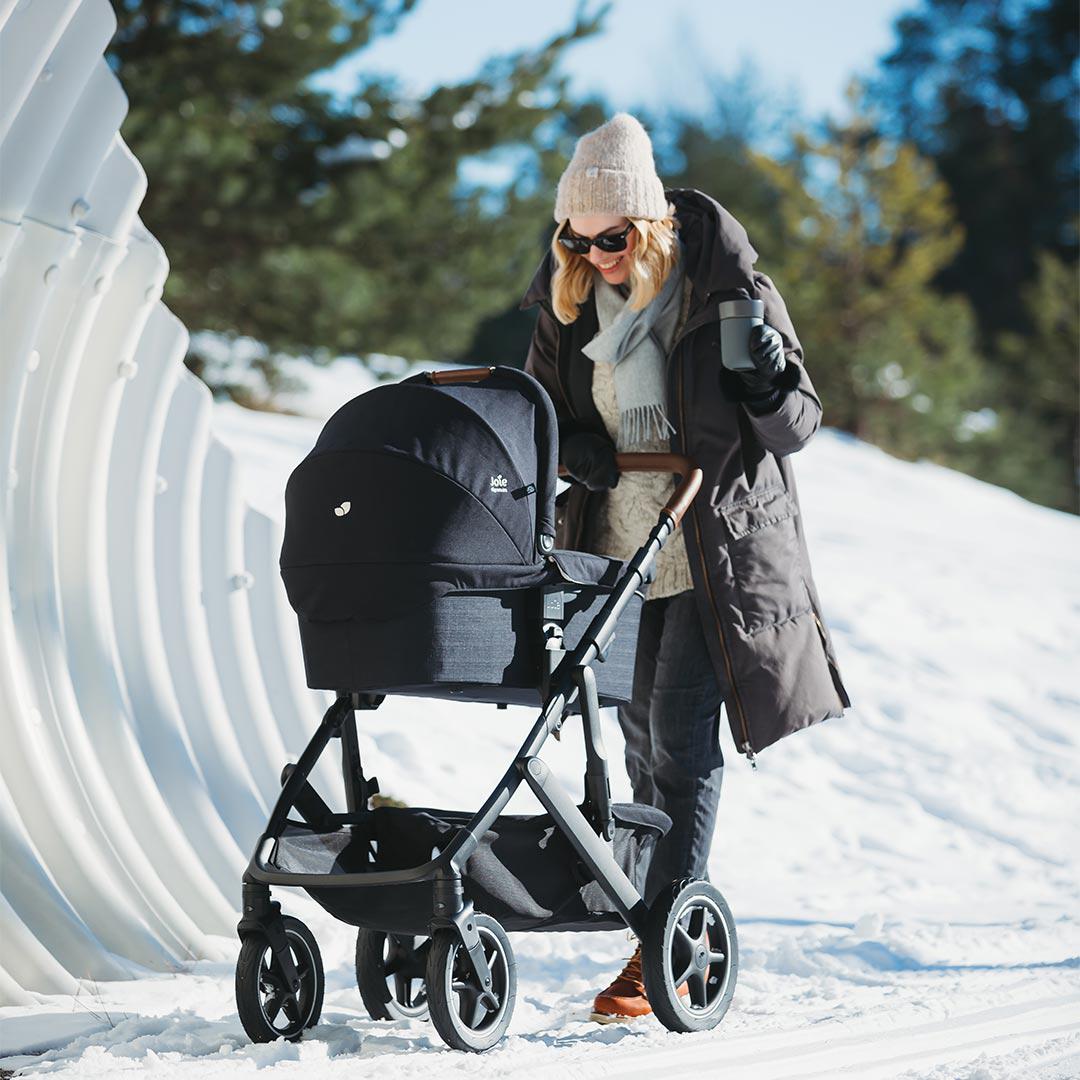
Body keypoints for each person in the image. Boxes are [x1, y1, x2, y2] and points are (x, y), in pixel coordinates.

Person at [521, 113, 851, 1023]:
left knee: (679, 738)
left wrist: (768, 380)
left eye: (613, 239)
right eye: (578, 239)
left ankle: (663, 940)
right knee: (636, 744)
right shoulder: (570, 303)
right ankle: (660, 916)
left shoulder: (729, 293)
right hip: (618, 550)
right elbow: (544, 415)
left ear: (651, 225)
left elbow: (797, 427)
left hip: (710, 542)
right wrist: (576, 453)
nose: (595, 256)